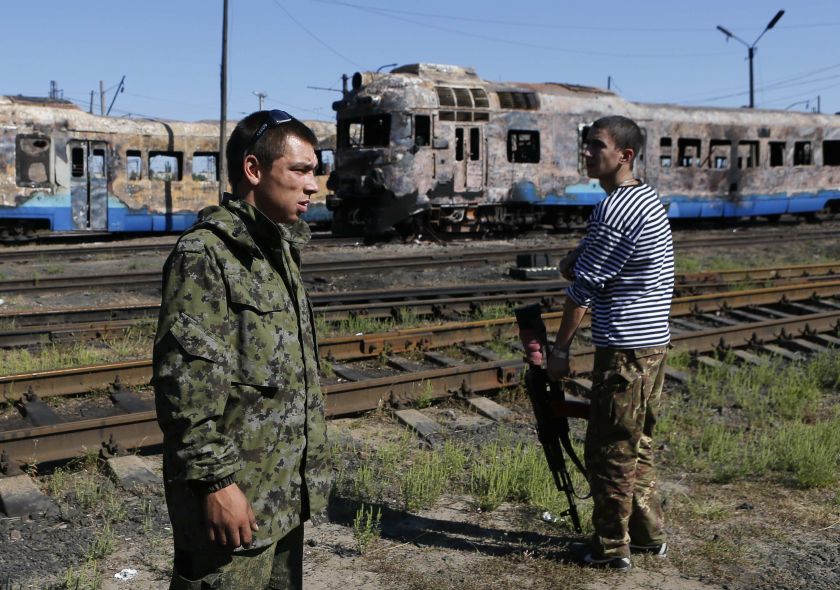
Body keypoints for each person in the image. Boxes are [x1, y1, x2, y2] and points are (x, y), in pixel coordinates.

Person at [153, 110, 331, 589]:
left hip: (280, 498)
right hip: (233, 505)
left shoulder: (278, 250)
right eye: (300, 170)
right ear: (254, 170)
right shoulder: (206, 256)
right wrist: (217, 484)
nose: (313, 185)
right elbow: (185, 389)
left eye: (315, 170)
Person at [522, 115, 674, 572]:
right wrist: (575, 259)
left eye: (595, 145)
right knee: (637, 441)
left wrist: (560, 350)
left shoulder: (614, 209)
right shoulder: (645, 200)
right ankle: (649, 536)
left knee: (609, 448)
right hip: (652, 344)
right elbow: (588, 259)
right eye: (585, 145)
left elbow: (581, 287)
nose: (586, 153)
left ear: (623, 155)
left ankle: (610, 548)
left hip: (626, 349)